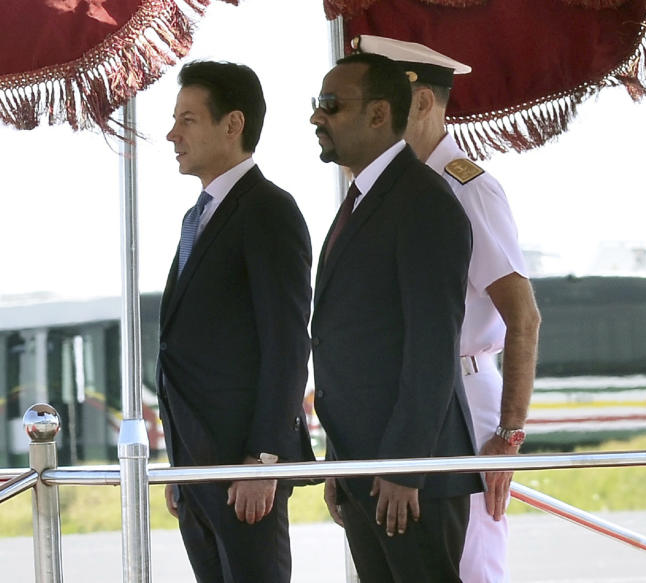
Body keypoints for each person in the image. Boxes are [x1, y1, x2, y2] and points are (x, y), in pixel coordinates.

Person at [356, 35, 542, 583]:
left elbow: (523, 317)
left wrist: (508, 435)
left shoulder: (466, 188)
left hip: (464, 398)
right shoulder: (384, 192)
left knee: (468, 561)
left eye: (382, 102)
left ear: (420, 103)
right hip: (404, 400)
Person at [309, 51, 483, 583]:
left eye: (331, 105)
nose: (317, 118)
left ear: (380, 114)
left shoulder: (423, 200)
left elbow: (431, 345)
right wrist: (343, 463)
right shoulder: (364, 197)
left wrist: (405, 465)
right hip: (367, 466)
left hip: (410, 476)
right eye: (316, 105)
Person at [158, 60, 315, 583]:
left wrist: (265, 457)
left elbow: (288, 343)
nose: (171, 134)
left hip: (245, 469)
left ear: (233, 124)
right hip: (199, 466)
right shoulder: (197, 217)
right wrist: (179, 466)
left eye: (187, 120)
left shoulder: (268, 210)